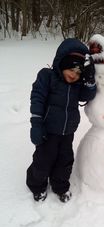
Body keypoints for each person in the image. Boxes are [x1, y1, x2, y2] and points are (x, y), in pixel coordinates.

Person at [26, 38, 96, 202]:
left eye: (79, 73)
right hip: (47, 130)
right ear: (62, 64)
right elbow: (37, 99)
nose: (74, 75)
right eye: (71, 69)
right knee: (43, 160)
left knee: (64, 161)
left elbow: (88, 96)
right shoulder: (47, 76)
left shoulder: (77, 85)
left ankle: (60, 186)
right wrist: (36, 125)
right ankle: (37, 185)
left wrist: (90, 80)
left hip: (67, 131)